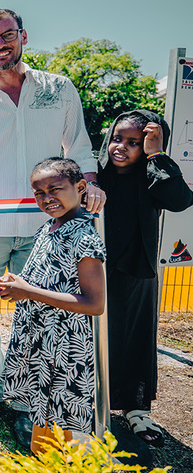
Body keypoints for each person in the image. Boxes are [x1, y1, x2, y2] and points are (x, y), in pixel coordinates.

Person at [0, 8, 105, 444]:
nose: (1, 44)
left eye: (7, 35)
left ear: (23, 36)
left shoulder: (59, 89)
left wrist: (90, 184)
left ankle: (28, 404)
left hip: (45, 231)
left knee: (39, 314)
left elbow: (80, 149)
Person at [0, 158, 106, 453]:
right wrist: (14, 284)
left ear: (80, 188)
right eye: (39, 193)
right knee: (40, 413)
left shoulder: (85, 237)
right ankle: (40, 458)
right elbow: (44, 279)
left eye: (55, 189)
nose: (47, 198)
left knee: (61, 419)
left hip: (64, 346)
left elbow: (94, 304)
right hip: (40, 340)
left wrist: (28, 291)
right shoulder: (48, 228)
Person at [97, 110, 193, 446]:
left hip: (137, 270)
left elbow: (181, 200)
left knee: (135, 339)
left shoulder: (153, 175)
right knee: (92, 338)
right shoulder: (95, 174)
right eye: (117, 138)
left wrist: (156, 155)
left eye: (134, 142)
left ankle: (136, 409)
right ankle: (89, 403)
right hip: (94, 268)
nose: (121, 147)